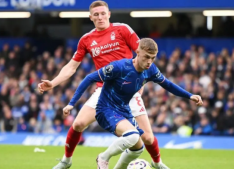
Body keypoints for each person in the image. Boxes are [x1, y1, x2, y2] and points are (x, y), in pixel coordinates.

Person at [38, 1, 169, 169]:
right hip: (104, 90)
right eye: (96, 14)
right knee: (78, 124)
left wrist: (141, 79)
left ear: (109, 14)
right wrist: (53, 83)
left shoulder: (122, 29)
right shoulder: (86, 39)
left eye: (103, 13)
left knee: (148, 138)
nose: (100, 17)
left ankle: (157, 163)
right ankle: (66, 161)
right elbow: (71, 66)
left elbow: (144, 54)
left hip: (128, 89)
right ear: (90, 17)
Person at [63, 38, 203, 168]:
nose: (149, 62)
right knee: (133, 136)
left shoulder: (151, 70)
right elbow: (89, 78)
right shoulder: (119, 67)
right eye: (146, 57)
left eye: (153, 58)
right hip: (106, 109)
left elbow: (168, 85)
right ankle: (103, 157)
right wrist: (72, 103)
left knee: (138, 148)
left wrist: (190, 96)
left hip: (124, 110)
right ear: (137, 52)